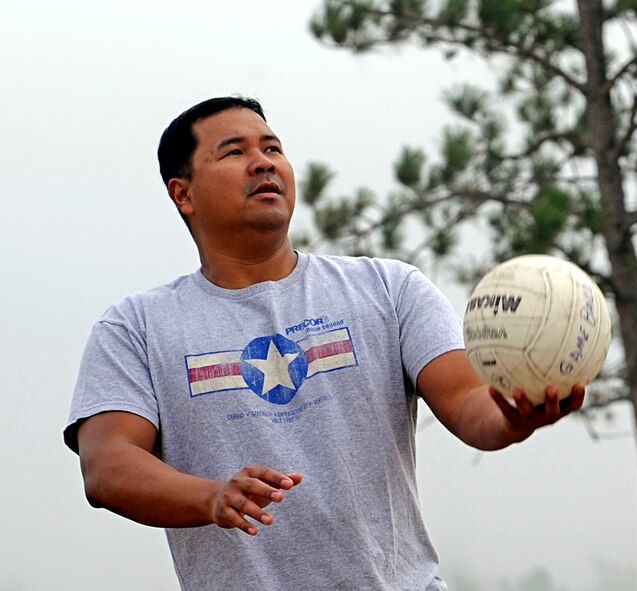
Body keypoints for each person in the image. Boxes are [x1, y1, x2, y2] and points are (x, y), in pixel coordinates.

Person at [64, 96, 584, 590]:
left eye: (272, 148)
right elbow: (108, 465)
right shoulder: (136, 327)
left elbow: (469, 402)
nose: (263, 163)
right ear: (183, 194)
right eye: (235, 152)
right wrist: (211, 497)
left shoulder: (388, 288)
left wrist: (512, 418)